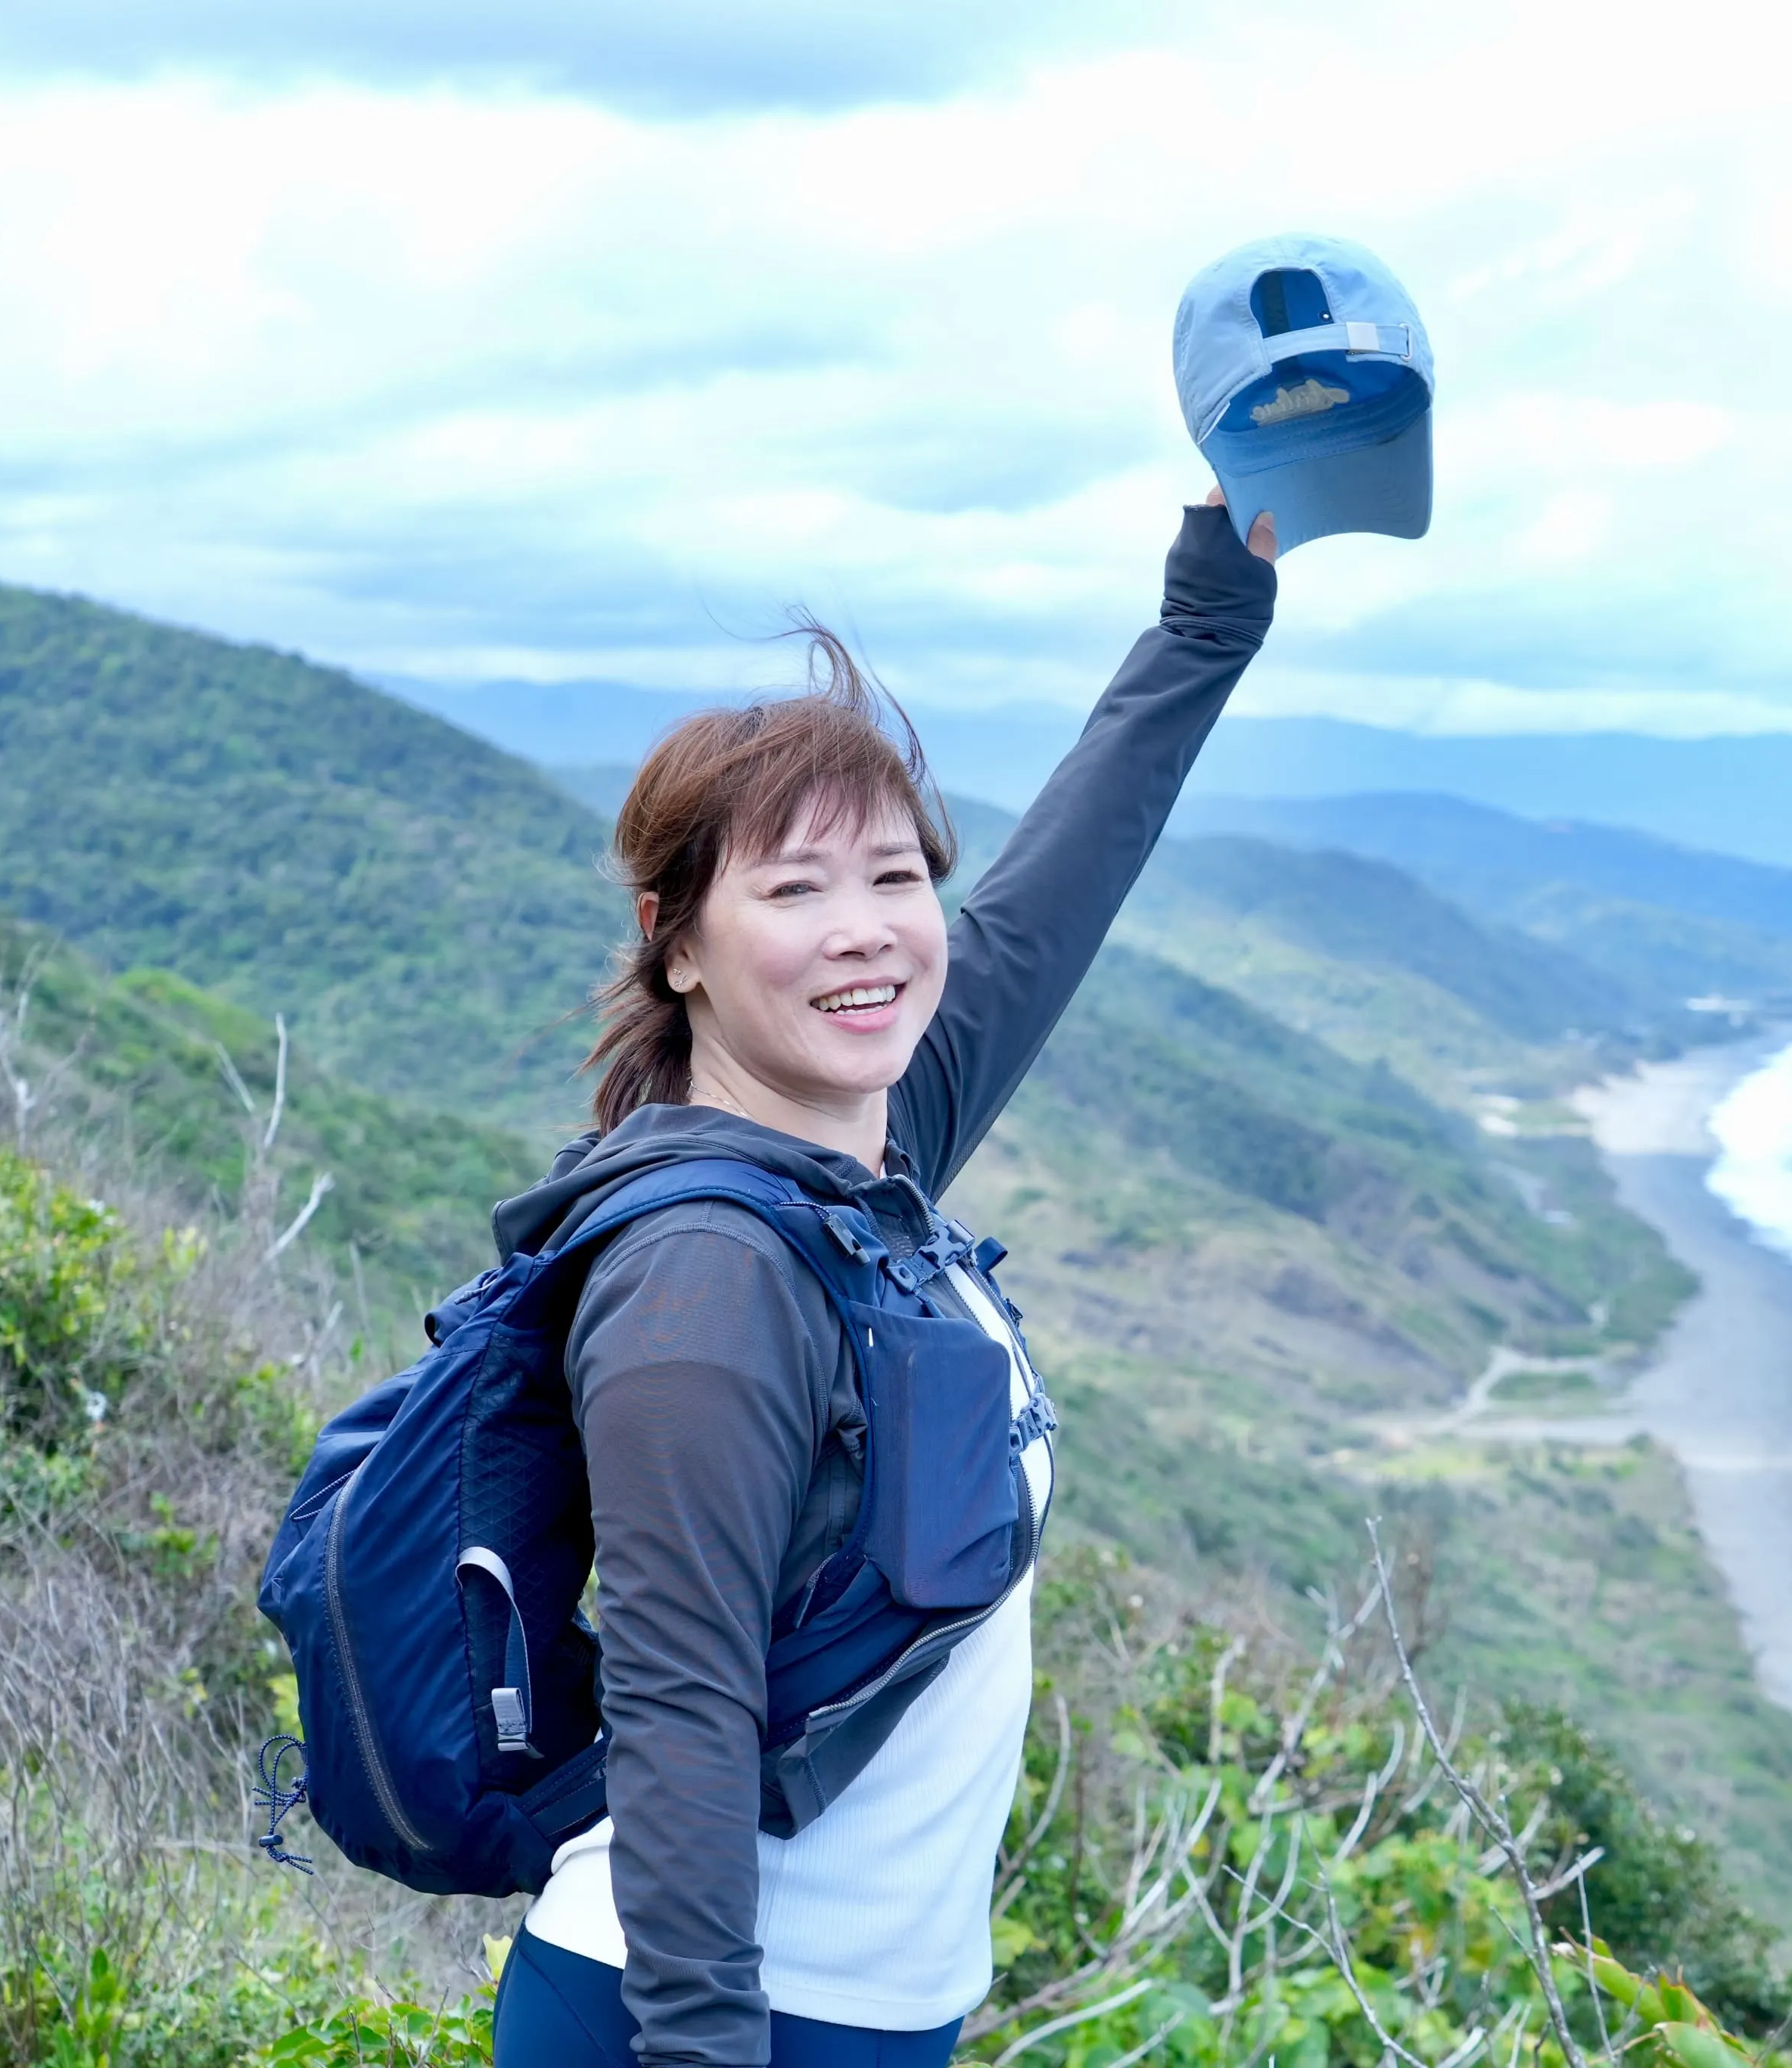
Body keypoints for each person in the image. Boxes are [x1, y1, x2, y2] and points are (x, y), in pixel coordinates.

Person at [485, 492, 1279, 2066]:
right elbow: (681, 1715)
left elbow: (1059, 885)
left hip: (872, 2010)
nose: (866, 933)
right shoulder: (704, 1279)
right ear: (680, 944)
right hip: (702, 2017)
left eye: (896, 876)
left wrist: (1215, 601)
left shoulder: (865, 1150)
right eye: (791, 891)